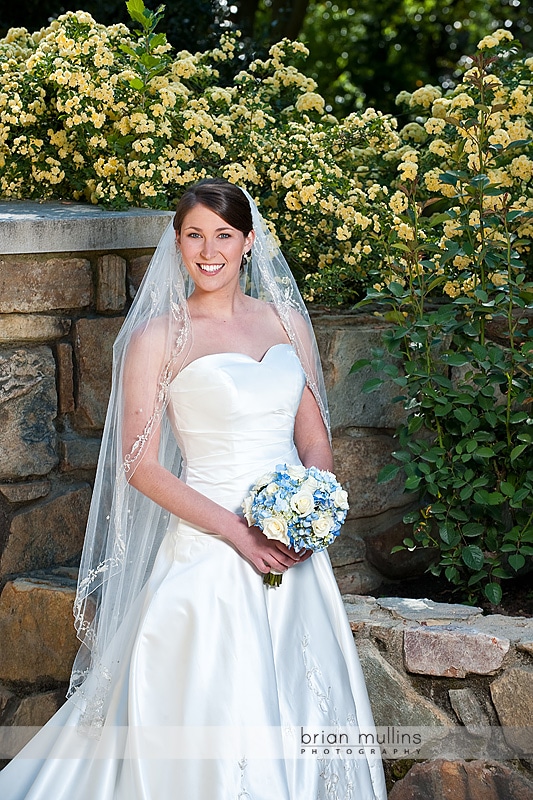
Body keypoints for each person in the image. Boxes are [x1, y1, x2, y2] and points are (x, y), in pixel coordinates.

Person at [0, 179, 387, 799]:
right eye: (194, 235)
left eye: (224, 235)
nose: (210, 251)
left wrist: (310, 506)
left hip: (291, 556)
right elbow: (140, 465)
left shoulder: (287, 322)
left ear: (249, 243)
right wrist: (240, 531)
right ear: (177, 244)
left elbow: (314, 435)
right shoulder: (158, 338)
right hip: (210, 553)